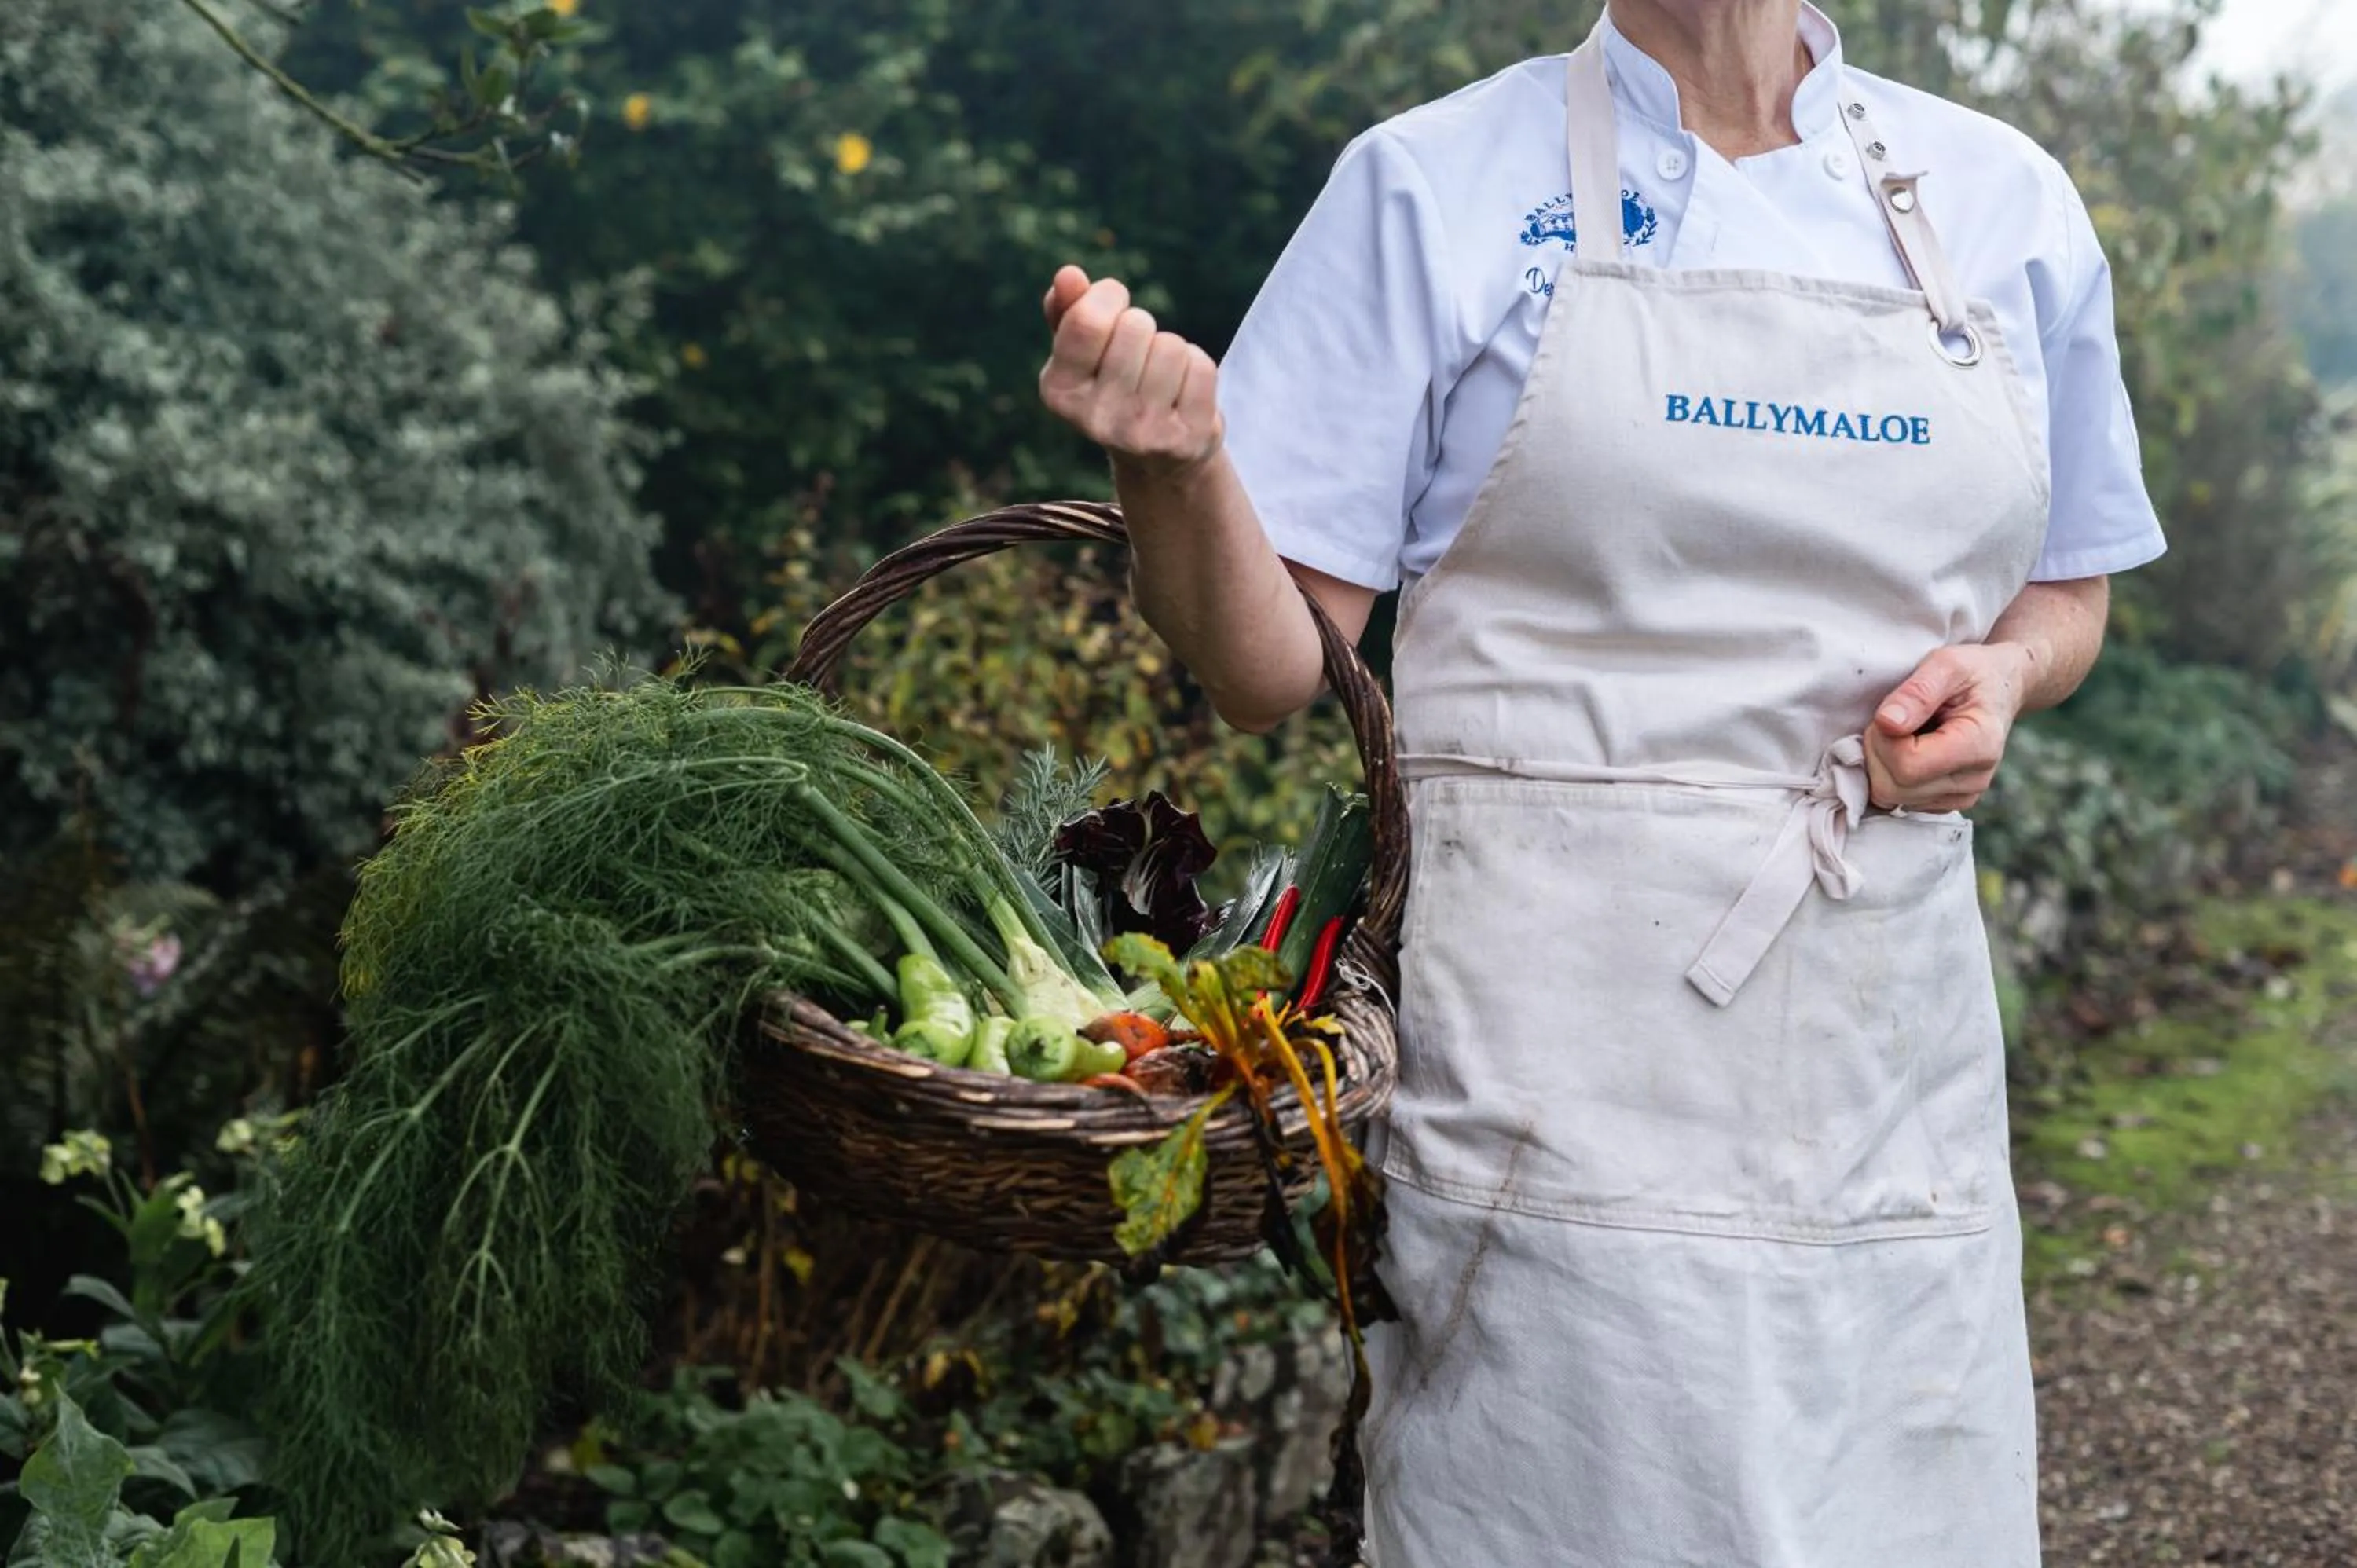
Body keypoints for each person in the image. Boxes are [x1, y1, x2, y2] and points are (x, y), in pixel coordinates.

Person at [1037, 1, 2165, 1561]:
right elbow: (1272, 663)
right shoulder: (1432, 188)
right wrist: (1174, 474)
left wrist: (2009, 674)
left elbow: (2070, 587)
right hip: (1552, 1099)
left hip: (1883, 1080)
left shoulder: (2000, 200)